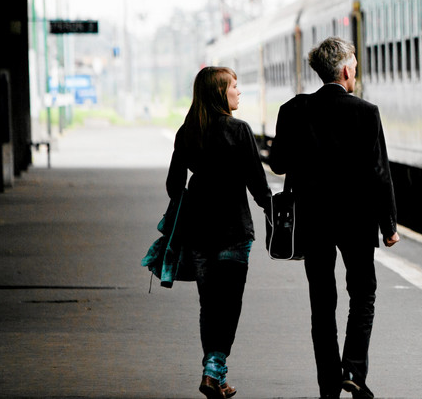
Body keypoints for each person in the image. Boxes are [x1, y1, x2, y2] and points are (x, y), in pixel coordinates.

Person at [270, 37, 399, 399]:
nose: (355, 72)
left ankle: (329, 383)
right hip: (357, 220)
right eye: (354, 67)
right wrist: (389, 226)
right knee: (363, 293)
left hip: (312, 220)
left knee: (321, 302)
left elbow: (278, 164)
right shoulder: (366, 112)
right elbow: (379, 173)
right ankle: (354, 371)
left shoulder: (293, 110)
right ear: (345, 71)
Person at [167, 66, 272, 399]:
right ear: (219, 93)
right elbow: (258, 184)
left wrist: (193, 196)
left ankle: (216, 374)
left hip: (198, 232)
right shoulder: (239, 131)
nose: (239, 92)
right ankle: (214, 370)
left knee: (209, 305)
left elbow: (173, 186)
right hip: (234, 232)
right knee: (229, 305)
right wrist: (276, 213)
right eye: (234, 87)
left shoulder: (187, 132)